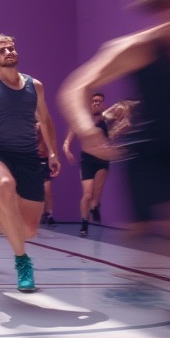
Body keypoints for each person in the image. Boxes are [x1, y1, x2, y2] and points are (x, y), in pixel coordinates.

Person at [58, 0, 170, 239]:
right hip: (148, 159)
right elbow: (76, 85)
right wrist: (86, 129)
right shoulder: (138, 47)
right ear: (168, 2)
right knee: (145, 246)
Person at [0, 34, 60, 293]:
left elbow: (46, 120)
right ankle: (23, 262)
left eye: (11, 48)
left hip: (28, 158)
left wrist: (52, 153)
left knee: (27, 229)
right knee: (4, 185)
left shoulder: (34, 86)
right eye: (2, 50)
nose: (9, 51)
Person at [62, 91, 110, 236]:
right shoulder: (81, 120)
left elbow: (115, 136)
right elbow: (67, 141)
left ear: (103, 104)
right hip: (87, 160)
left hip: (102, 160)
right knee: (87, 194)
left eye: (99, 101)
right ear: (89, 103)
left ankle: (95, 207)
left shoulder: (108, 120)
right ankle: (84, 222)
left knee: (97, 193)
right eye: (94, 101)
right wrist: (67, 150)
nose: (96, 103)